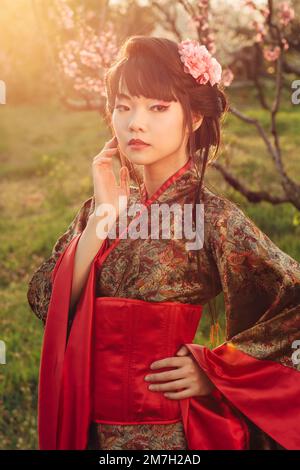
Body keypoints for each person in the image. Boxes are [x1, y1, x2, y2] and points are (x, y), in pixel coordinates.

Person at [27, 36, 300, 451]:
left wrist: (217, 371)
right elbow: (46, 303)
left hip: (168, 434)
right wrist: (102, 219)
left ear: (192, 118)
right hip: (87, 428)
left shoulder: (214, 218)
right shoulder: (100, 210)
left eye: (157, 107)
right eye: (123, 106)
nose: (135, 123)